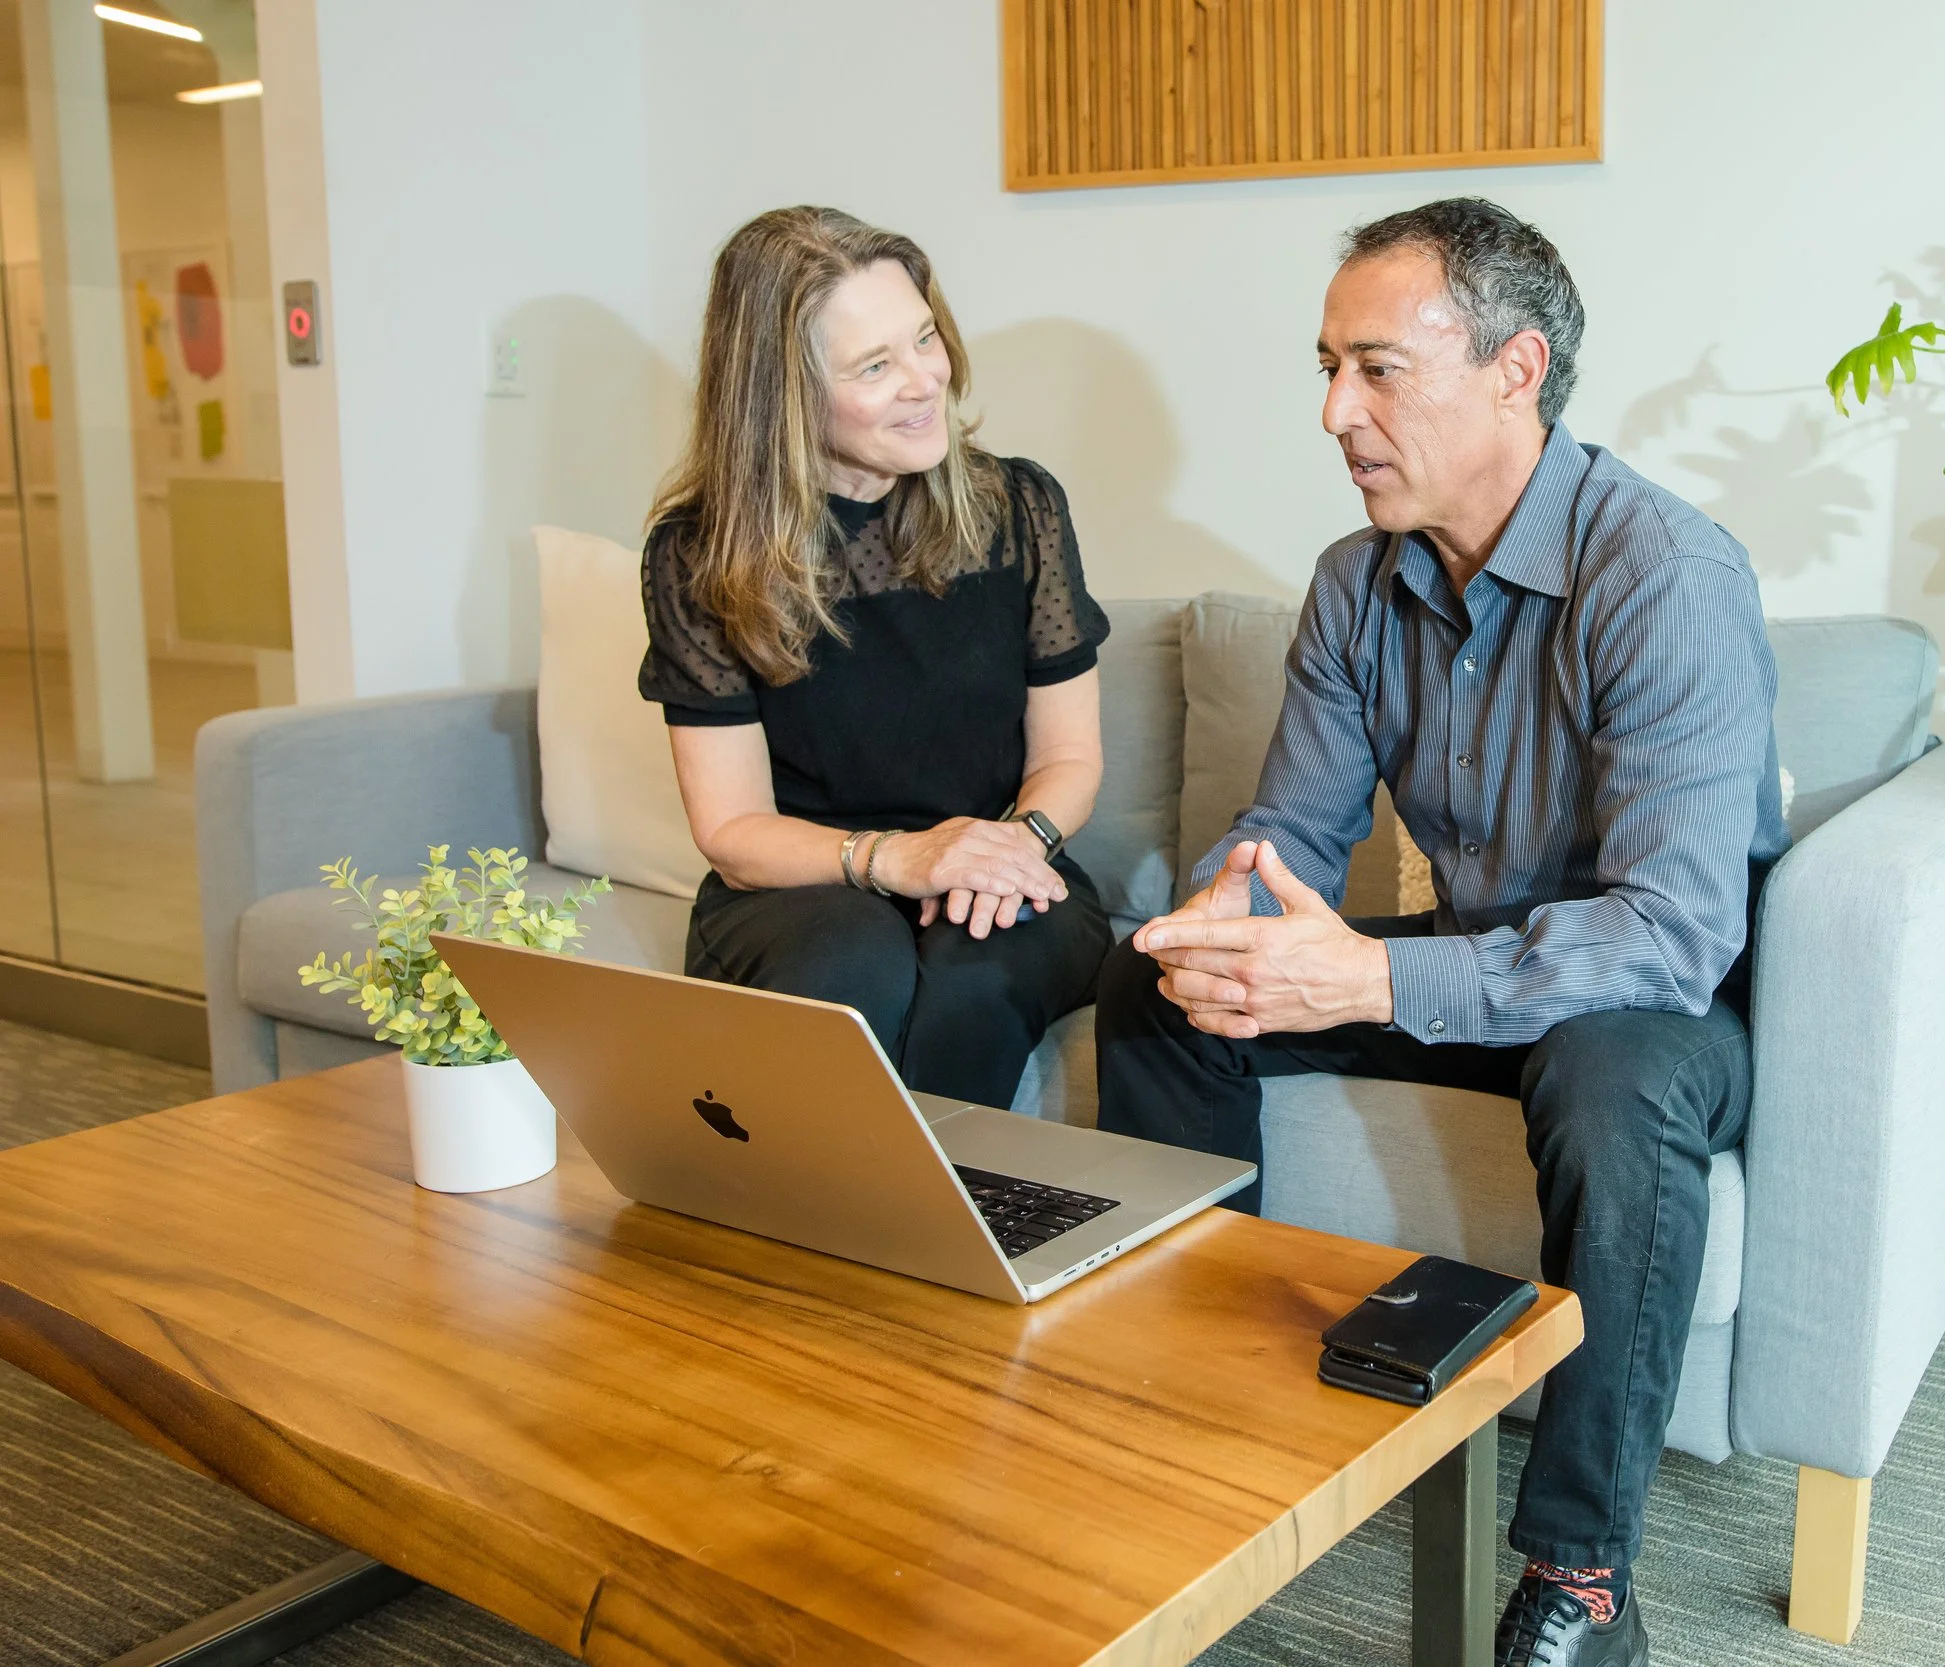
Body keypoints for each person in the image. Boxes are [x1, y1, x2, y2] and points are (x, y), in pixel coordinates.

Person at [1093, 198, 1786, 1666]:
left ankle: (1582, 1573)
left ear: (1516, 370)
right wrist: (1229, 910)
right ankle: (1207, 1427)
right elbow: (1295, 831)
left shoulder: (1663, 572)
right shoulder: (1359, 583)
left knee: (1620, 1083)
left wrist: (1369, 968)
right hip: (1469, 956)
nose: (1336, 412)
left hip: (1651, 1003)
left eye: (1377, 369)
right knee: (1156, 989)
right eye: (1327, 368)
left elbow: (1670, 933)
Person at [640, 207, 1112, 1110]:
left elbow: (1070, 758)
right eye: (874, 366)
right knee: (851, 967)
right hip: (804, 881)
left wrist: (1015, 845)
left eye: (924, 337)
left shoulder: (1019, 510)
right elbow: (733, 832)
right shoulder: (698, 556)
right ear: (782, 397)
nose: (926, 380)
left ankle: (949, 1236)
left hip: (1003, 858)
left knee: (976, 976)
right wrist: (897, 860)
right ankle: (829, 1235)